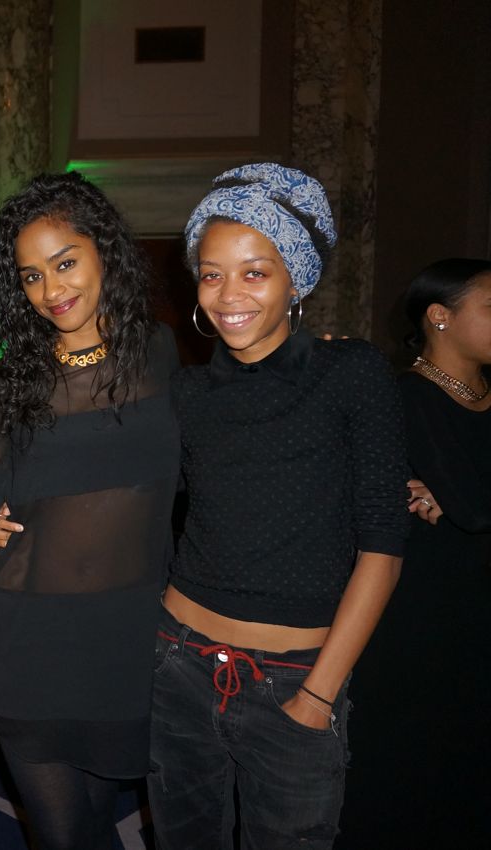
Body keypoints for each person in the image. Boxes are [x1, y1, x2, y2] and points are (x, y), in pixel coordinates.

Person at [147, 163, 410, 849]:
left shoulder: (350, 372)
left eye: (255, 272)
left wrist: (319, 695)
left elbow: (383, 548)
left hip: (295, 677)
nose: (229, 294)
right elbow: (135, 491)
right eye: (211, 274)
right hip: (177, 663)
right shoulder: (188, 394)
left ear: (296, 280)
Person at [0, 171, 180, 849]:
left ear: (104, 252)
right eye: (32, 276)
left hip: (129, 638)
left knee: (98, 825)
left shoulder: (160, 354)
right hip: (29, 637)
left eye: (65, 263)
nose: (52, 289)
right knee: (63, 837)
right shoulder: (3, 385)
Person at [340, 258, 491, 845]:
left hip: (475, 616)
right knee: (410, 776)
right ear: (439, 316)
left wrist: (451, 494)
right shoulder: (407, 395)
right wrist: (453, 497)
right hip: (422, 622)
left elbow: (467, 502)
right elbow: (474, 508)